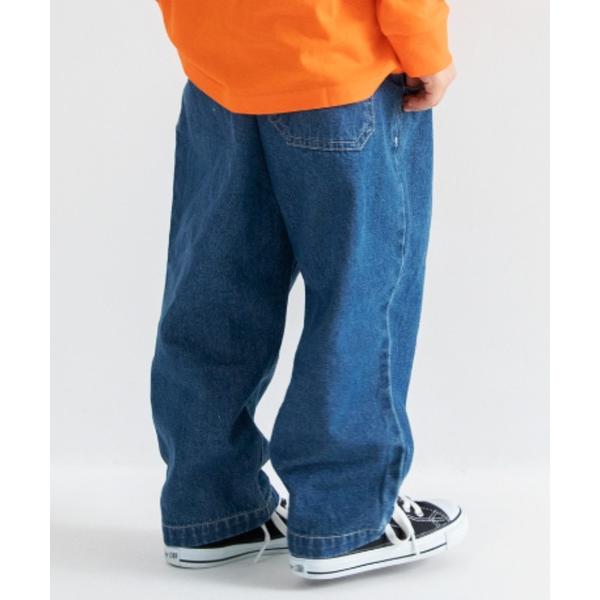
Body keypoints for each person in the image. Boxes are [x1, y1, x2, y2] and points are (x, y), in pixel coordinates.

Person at [151, 0, 467, 580]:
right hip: (338, 67)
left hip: (219, 71)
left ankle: (213, 509)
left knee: (213, 293)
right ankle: (347, 520)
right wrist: (424, 46)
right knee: (358, 296)